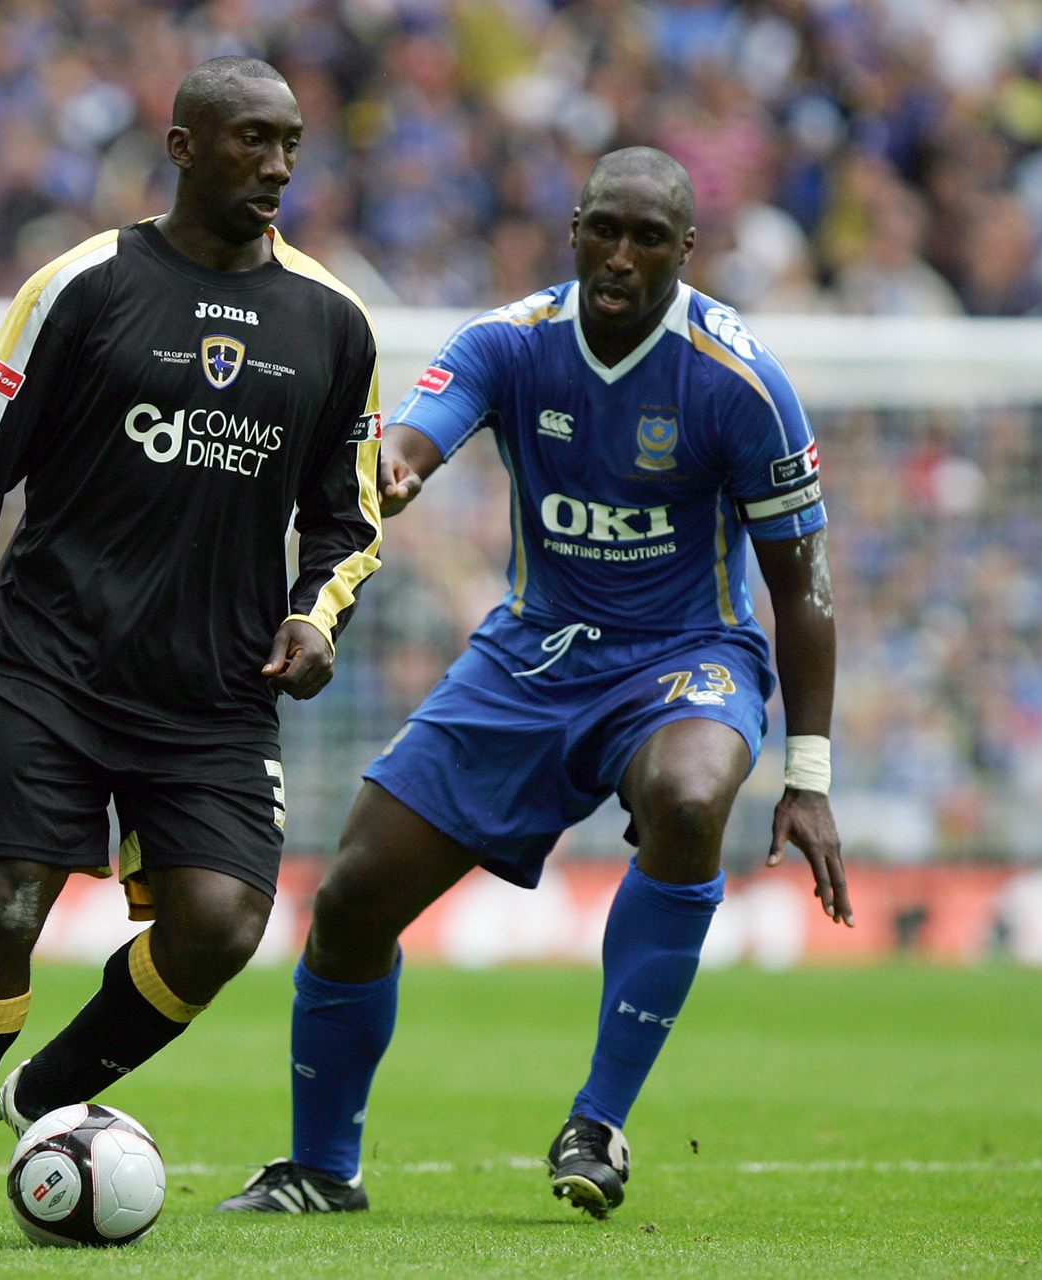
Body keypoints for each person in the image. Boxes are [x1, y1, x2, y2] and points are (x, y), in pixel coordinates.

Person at [218, 147, 850, 1220]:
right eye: (603, 228)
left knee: (692, 798)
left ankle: (598, 1119)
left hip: (684, 657)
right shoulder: (510, 343)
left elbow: (806, 591)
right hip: (534, 652)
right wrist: (398, 469)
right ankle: (324, 1166)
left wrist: (810, 773)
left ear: (685, 252)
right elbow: (416, 436)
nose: (620, 254)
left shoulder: (741, 380)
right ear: (572, 230)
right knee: (355, 894)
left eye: (648, 237)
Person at [0, 56, 383, 1244]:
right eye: (249, 141)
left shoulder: (333, 320)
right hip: (55, 663)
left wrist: (315, 616)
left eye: (289, 141)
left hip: (216, 688)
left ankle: (42, 1092)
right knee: (9, 900)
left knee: (222, 925)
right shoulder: (83, 283)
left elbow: (350, 515)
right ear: (183, 148)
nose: (276, 164)